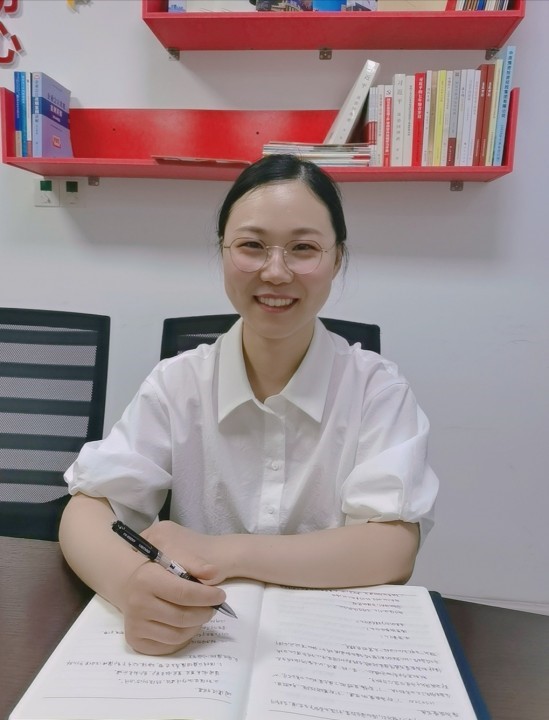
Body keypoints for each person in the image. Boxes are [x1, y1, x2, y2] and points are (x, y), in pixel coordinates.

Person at [59, 154, 439, 656]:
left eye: (303, 248)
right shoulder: (178, 383)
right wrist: (131, 585)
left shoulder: (376, 389)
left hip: (331, 646)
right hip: (201, 643)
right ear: (223, 253)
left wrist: (222, 553)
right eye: (252, 246)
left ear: (337, 259)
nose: (275, 272)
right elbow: (88, 509)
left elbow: (392, 548)